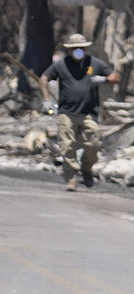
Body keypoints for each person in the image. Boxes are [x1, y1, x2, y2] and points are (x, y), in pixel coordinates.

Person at [39, 33, 119, 191]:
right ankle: (71, 178)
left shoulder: (94, 63)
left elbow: (114, 76)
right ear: (69, 50)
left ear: (85, 48)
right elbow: (44, 78)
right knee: (67, 146)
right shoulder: (61, 64)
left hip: (89, 113)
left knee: (93, 144)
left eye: (80, 48)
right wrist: (46, 100)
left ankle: (86, 169)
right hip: (66, 113)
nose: (78, 51)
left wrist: (104, 80)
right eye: (74, 48)